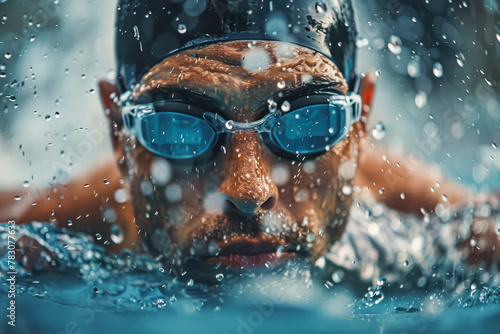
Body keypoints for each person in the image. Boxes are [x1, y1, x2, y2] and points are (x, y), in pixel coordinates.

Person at [1, 0, 498, 283]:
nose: (249, 189)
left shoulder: (424, 216)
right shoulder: (50, 228)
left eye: (307, 122)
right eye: (180, 126)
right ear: (119, 129)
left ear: (360, 122)